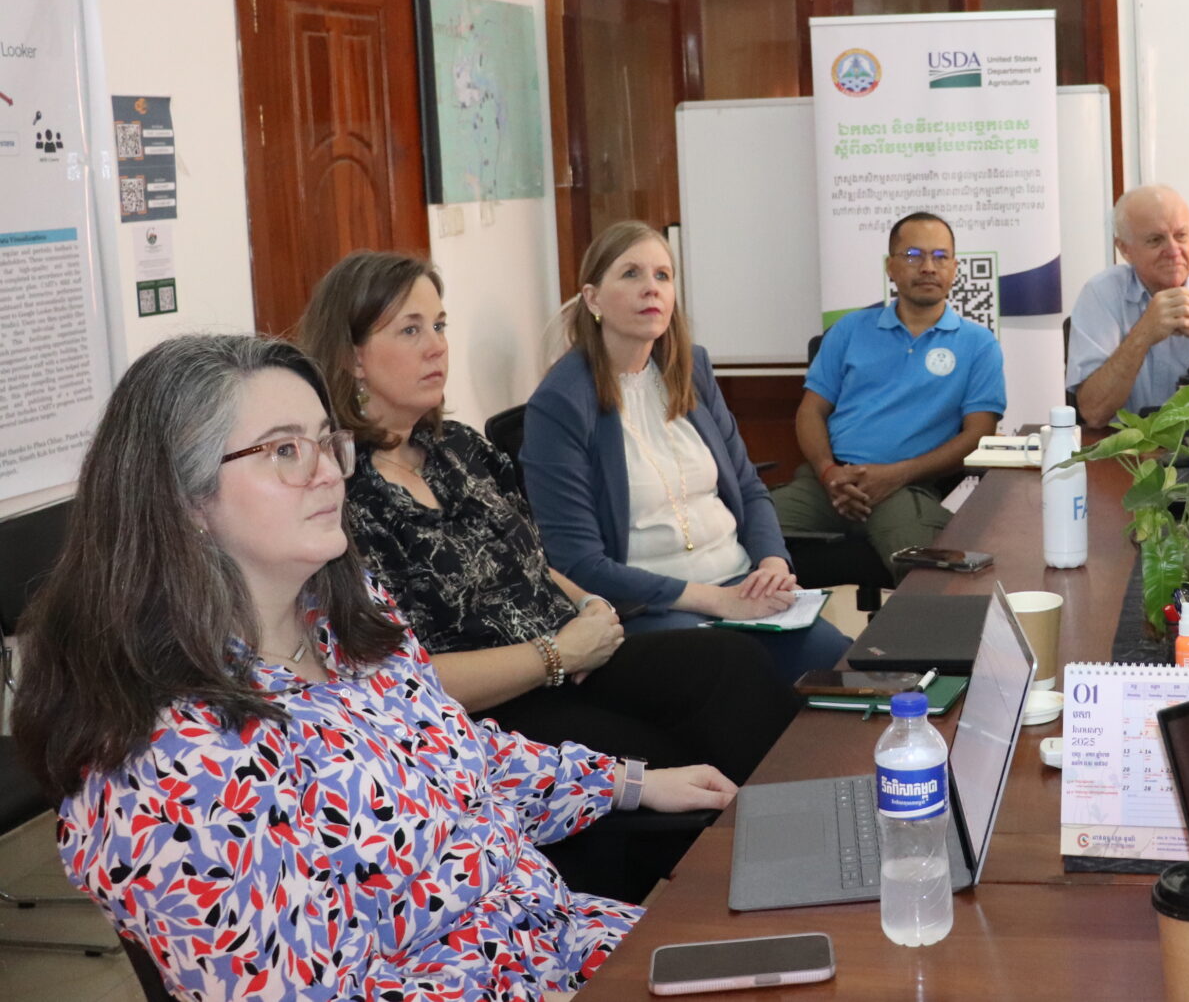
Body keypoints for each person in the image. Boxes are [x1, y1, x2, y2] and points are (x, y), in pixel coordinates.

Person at [11, 334, 741, 1000]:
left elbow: (454, 754)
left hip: (558, 939)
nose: (328, 473)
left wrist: (624, 782)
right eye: (284, 450)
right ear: (184, 498)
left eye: (326, 443)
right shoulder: (167, 758)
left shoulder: (346, 616)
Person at [301, 250, 798, 902]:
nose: (437, 346)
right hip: (494, 705)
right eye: (410, 329)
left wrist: (589, 603)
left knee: (731, 667)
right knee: (660, 755)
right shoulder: (340, 496)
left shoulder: (459, 447)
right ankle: (727, 893)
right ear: (352, 357)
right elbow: (398, 680)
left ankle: (808, 840)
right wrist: (556, 654)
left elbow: (534, 560)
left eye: (440, 325)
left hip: (572, 656)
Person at [524, 221, 850, 683]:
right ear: (593, 299)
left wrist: (772, 564)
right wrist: (717, 601)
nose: (651, 288)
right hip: (651, 607)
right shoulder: (561, 403)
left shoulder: (690, 367)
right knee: (742, 675)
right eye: (631, 274)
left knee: (838, 660)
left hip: (740, 583)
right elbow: (579, 564)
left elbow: (749, 488)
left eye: (663, 275)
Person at [770, 210, 1007, 573]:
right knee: (738, 537)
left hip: (905, 489)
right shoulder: (849, 329)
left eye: (940, 257)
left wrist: (896, 475)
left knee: (928, 576)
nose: (928, 267)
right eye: (913, 256)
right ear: (890, 267)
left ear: (954, 269)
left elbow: (979, 434)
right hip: (830, 484)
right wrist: (828, 471)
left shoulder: (978, 344)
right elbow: (811, 411)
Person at [1065, 184, 1189, 426]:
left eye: (1181, 236)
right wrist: (1143, 335)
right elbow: (1093, 412)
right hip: (1127, 445)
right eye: (1155, 240)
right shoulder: (1101, 294)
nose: (1173, 251)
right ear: (1125, 249)